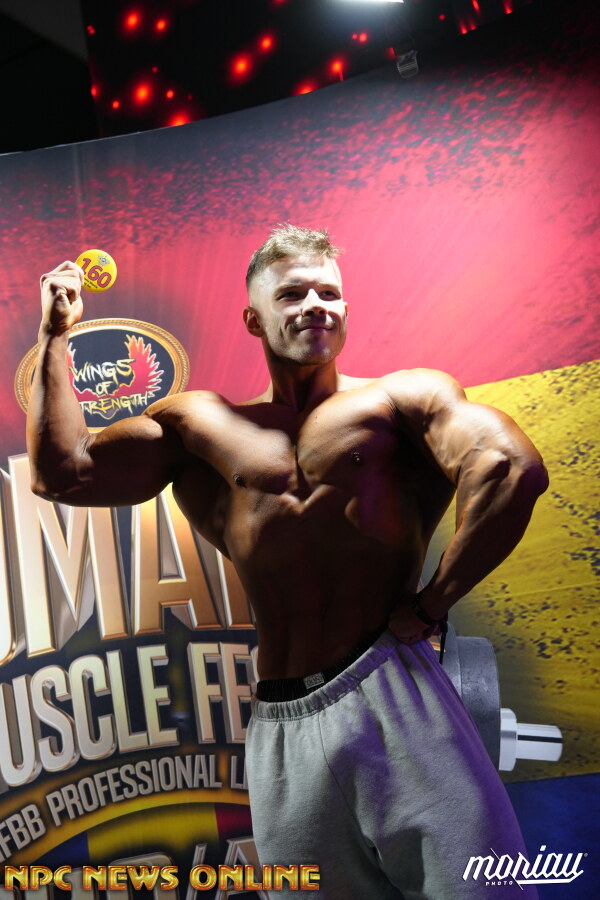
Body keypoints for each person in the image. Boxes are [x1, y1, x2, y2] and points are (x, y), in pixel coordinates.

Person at [28, 225, 547, 898]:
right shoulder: (200, 426)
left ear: (347, 310)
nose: (314, 306)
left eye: (328, 293)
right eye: (293, 294)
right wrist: (55, 335)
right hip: (281, 727)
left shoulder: (402, 400)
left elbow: (508, 469)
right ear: (254, 318)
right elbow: (63, 474)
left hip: (393, 688)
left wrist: (432, 603)